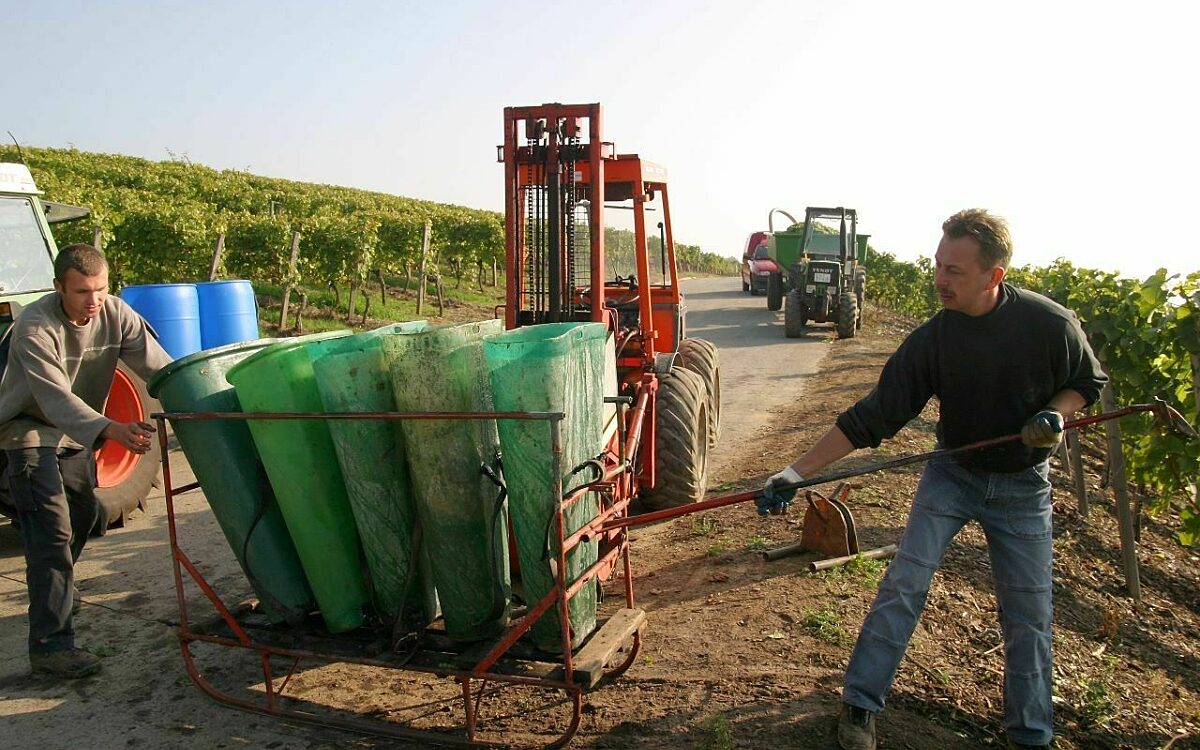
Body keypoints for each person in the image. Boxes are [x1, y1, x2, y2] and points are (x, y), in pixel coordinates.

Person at [759, 209, 1107, 750]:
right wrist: (793, 473)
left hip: (1023, 485)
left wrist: (1057, 414)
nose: (941, 280)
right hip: (953, 473)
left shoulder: (1049, 325)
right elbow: (871, 418)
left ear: (995, 275)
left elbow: (1088, 380)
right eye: (938, 266)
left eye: (955, 271)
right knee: (906, 582)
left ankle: (1031, 734)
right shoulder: (933, 340)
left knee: (1029, 610)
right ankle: (859, 706)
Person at [0, 244, 171, 679]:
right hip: (27, 427)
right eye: (81, 292)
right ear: (59, 288)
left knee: (84, 514)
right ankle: (51, 650)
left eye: (100, 289)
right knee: (50, 533)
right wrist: (112, 428)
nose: (93, 300)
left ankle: (57, 590)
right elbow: (54, 399)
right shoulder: (35, 327)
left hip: (76, 431)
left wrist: (201, 395)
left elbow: (160, 367)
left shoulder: (115, 314)